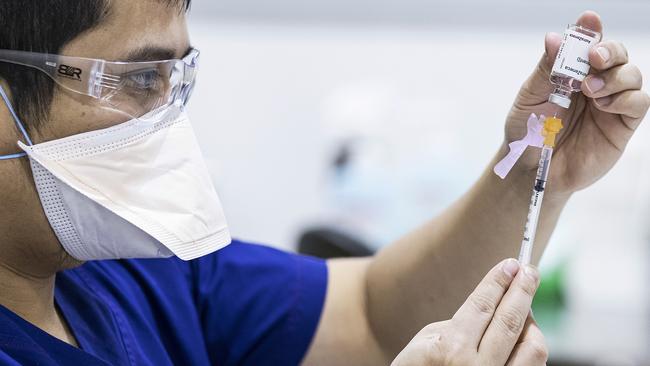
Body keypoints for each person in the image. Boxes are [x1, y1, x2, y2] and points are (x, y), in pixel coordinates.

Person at [0, 1, 646, 364]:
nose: (173, 119)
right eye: (140, 80)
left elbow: (370, 317)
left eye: (179, 79)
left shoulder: (133, 268)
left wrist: (533, 168)